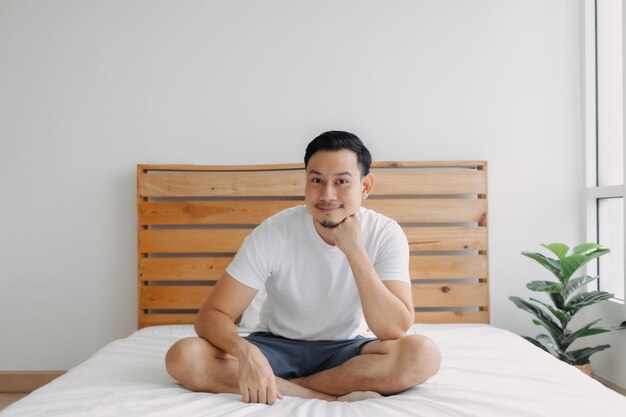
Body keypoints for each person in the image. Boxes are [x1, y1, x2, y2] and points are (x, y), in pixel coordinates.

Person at [165, 131, 441, 404]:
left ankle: (287, 389)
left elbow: (393, 330)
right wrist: (247, 354)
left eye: (342, 181)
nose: (327, 194)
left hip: (347, 350)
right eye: (316, 180)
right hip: (275, 347)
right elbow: (212, 316)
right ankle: (327, 396)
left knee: (423, 354)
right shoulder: (275, 231)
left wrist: (354, 251)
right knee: (184, 356)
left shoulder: (385, 233)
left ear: (365, 187)